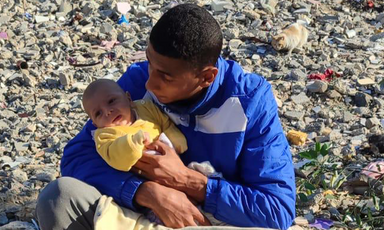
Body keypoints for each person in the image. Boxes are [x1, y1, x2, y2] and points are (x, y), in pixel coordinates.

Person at [36, 3, 296, 230]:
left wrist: (189, 182)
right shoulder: (137, 84)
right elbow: (77, 156)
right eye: (149, 62)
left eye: (165, 76)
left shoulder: (250, 101)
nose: (150, 83)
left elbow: (277, 210)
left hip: (209, 223)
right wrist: (144, 191)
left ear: (207, 77)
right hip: (142, 219)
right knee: (59, 197)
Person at [81, 78, 187, 172]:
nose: (108, 111)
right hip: (148, 174)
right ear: (95, 124)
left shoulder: (145, 107)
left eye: (111, 101)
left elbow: (164, 121)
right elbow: (116, 157)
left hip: (174, 159)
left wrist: (175, 138)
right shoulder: (104, 135)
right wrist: (133, 142)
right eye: (98, 113)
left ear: (128, 99)